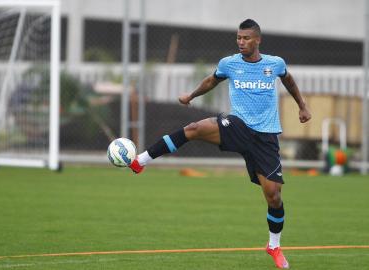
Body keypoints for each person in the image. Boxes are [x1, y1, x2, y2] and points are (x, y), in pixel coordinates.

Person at [129, 19, 311, 269]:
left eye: (246, 38)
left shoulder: (274, 63)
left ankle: (274, 246)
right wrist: (191, 95)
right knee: (194, 129)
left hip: (266, 136)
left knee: (274, 196)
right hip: (237, 126)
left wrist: (302, 106)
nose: (241, 42)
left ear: (257, 40)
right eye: (238, 37)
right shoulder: (229, 63)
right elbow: (212, 80)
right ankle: (141, 161)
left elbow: (289, 80)